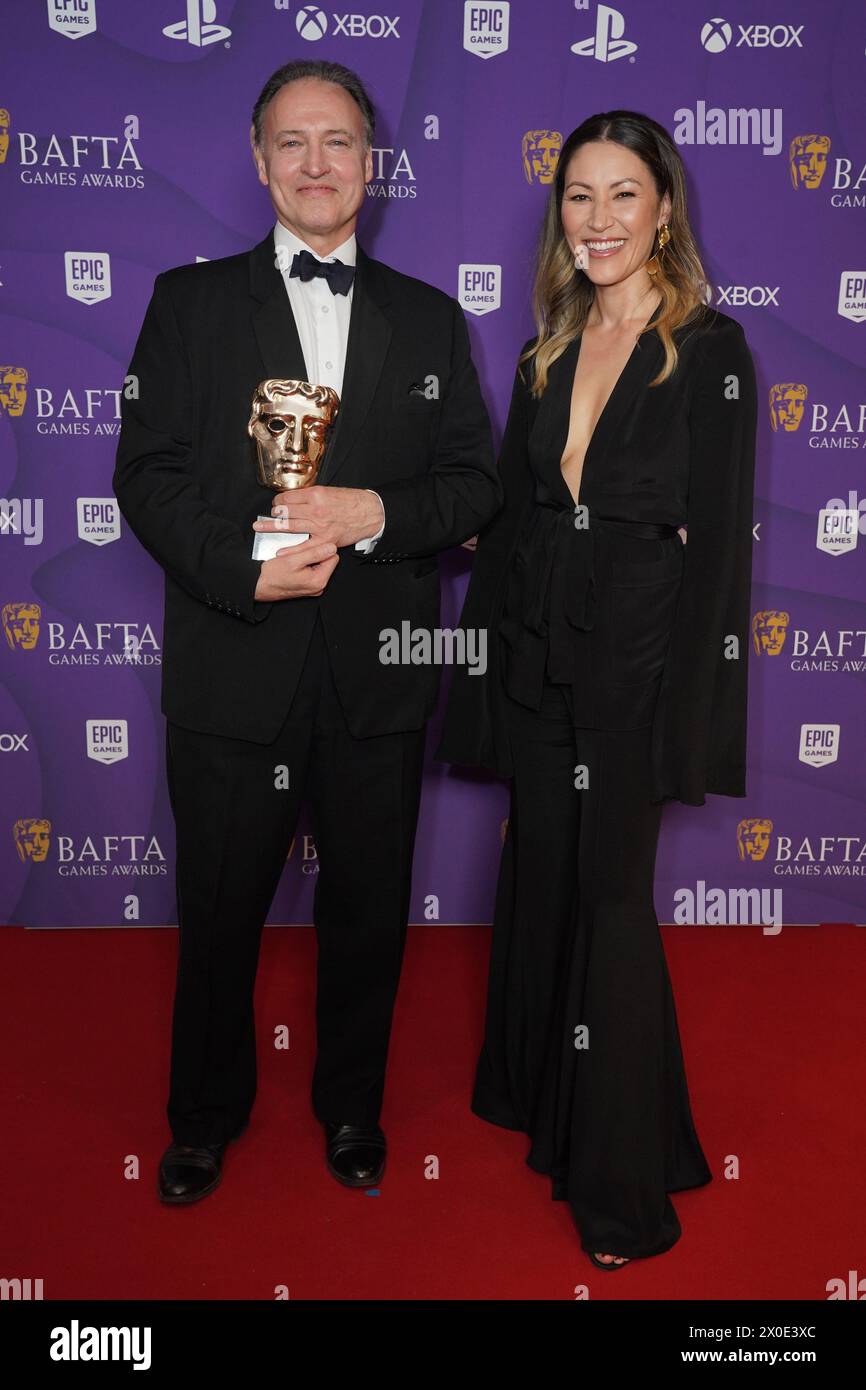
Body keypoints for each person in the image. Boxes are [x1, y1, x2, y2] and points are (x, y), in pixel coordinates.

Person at [113, 59, 500, 1205]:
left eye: (337, 141)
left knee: (368, 914)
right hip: (235, 665)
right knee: (220, 909)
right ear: (258, 160)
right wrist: (249, 565)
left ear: (370, 163)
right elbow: (149, 476)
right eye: (293, 143)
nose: (317, 163)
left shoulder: (430, 319)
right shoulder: (185, 305)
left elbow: (472, 486)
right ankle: (202, 1115)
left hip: (377, 677)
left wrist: (374, 512)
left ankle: (351, 1108)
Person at [436, 110, 758, 1269]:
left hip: (631, 668)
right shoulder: (546, 345)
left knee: (611, 904)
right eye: (578, 195)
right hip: (534, 657)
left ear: (663, 209)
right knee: (541, 876)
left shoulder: (708, 350)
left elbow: (716, 550)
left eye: (623, 194)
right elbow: (516, 522)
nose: (599, 218)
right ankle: (542, 1103)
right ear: (557, 212)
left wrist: (689, 715)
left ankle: (623, 1192)